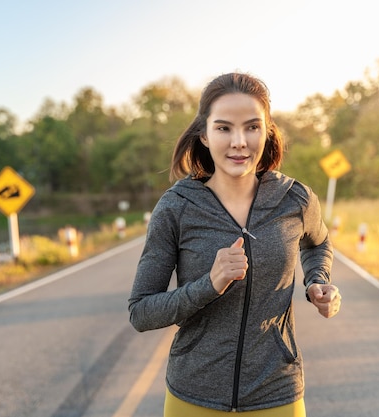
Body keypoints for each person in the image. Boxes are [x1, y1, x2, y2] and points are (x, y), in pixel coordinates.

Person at [128, 72, 341, 416]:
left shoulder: (295, 200)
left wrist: (318, 280)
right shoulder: (177, 207)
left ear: (267, 131)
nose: (239, 142)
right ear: (205, 135)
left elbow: (318, 243)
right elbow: (141, 312)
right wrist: (209, 285)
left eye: (252, 127)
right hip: (193, 397)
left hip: (278, 393)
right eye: (224, 128)